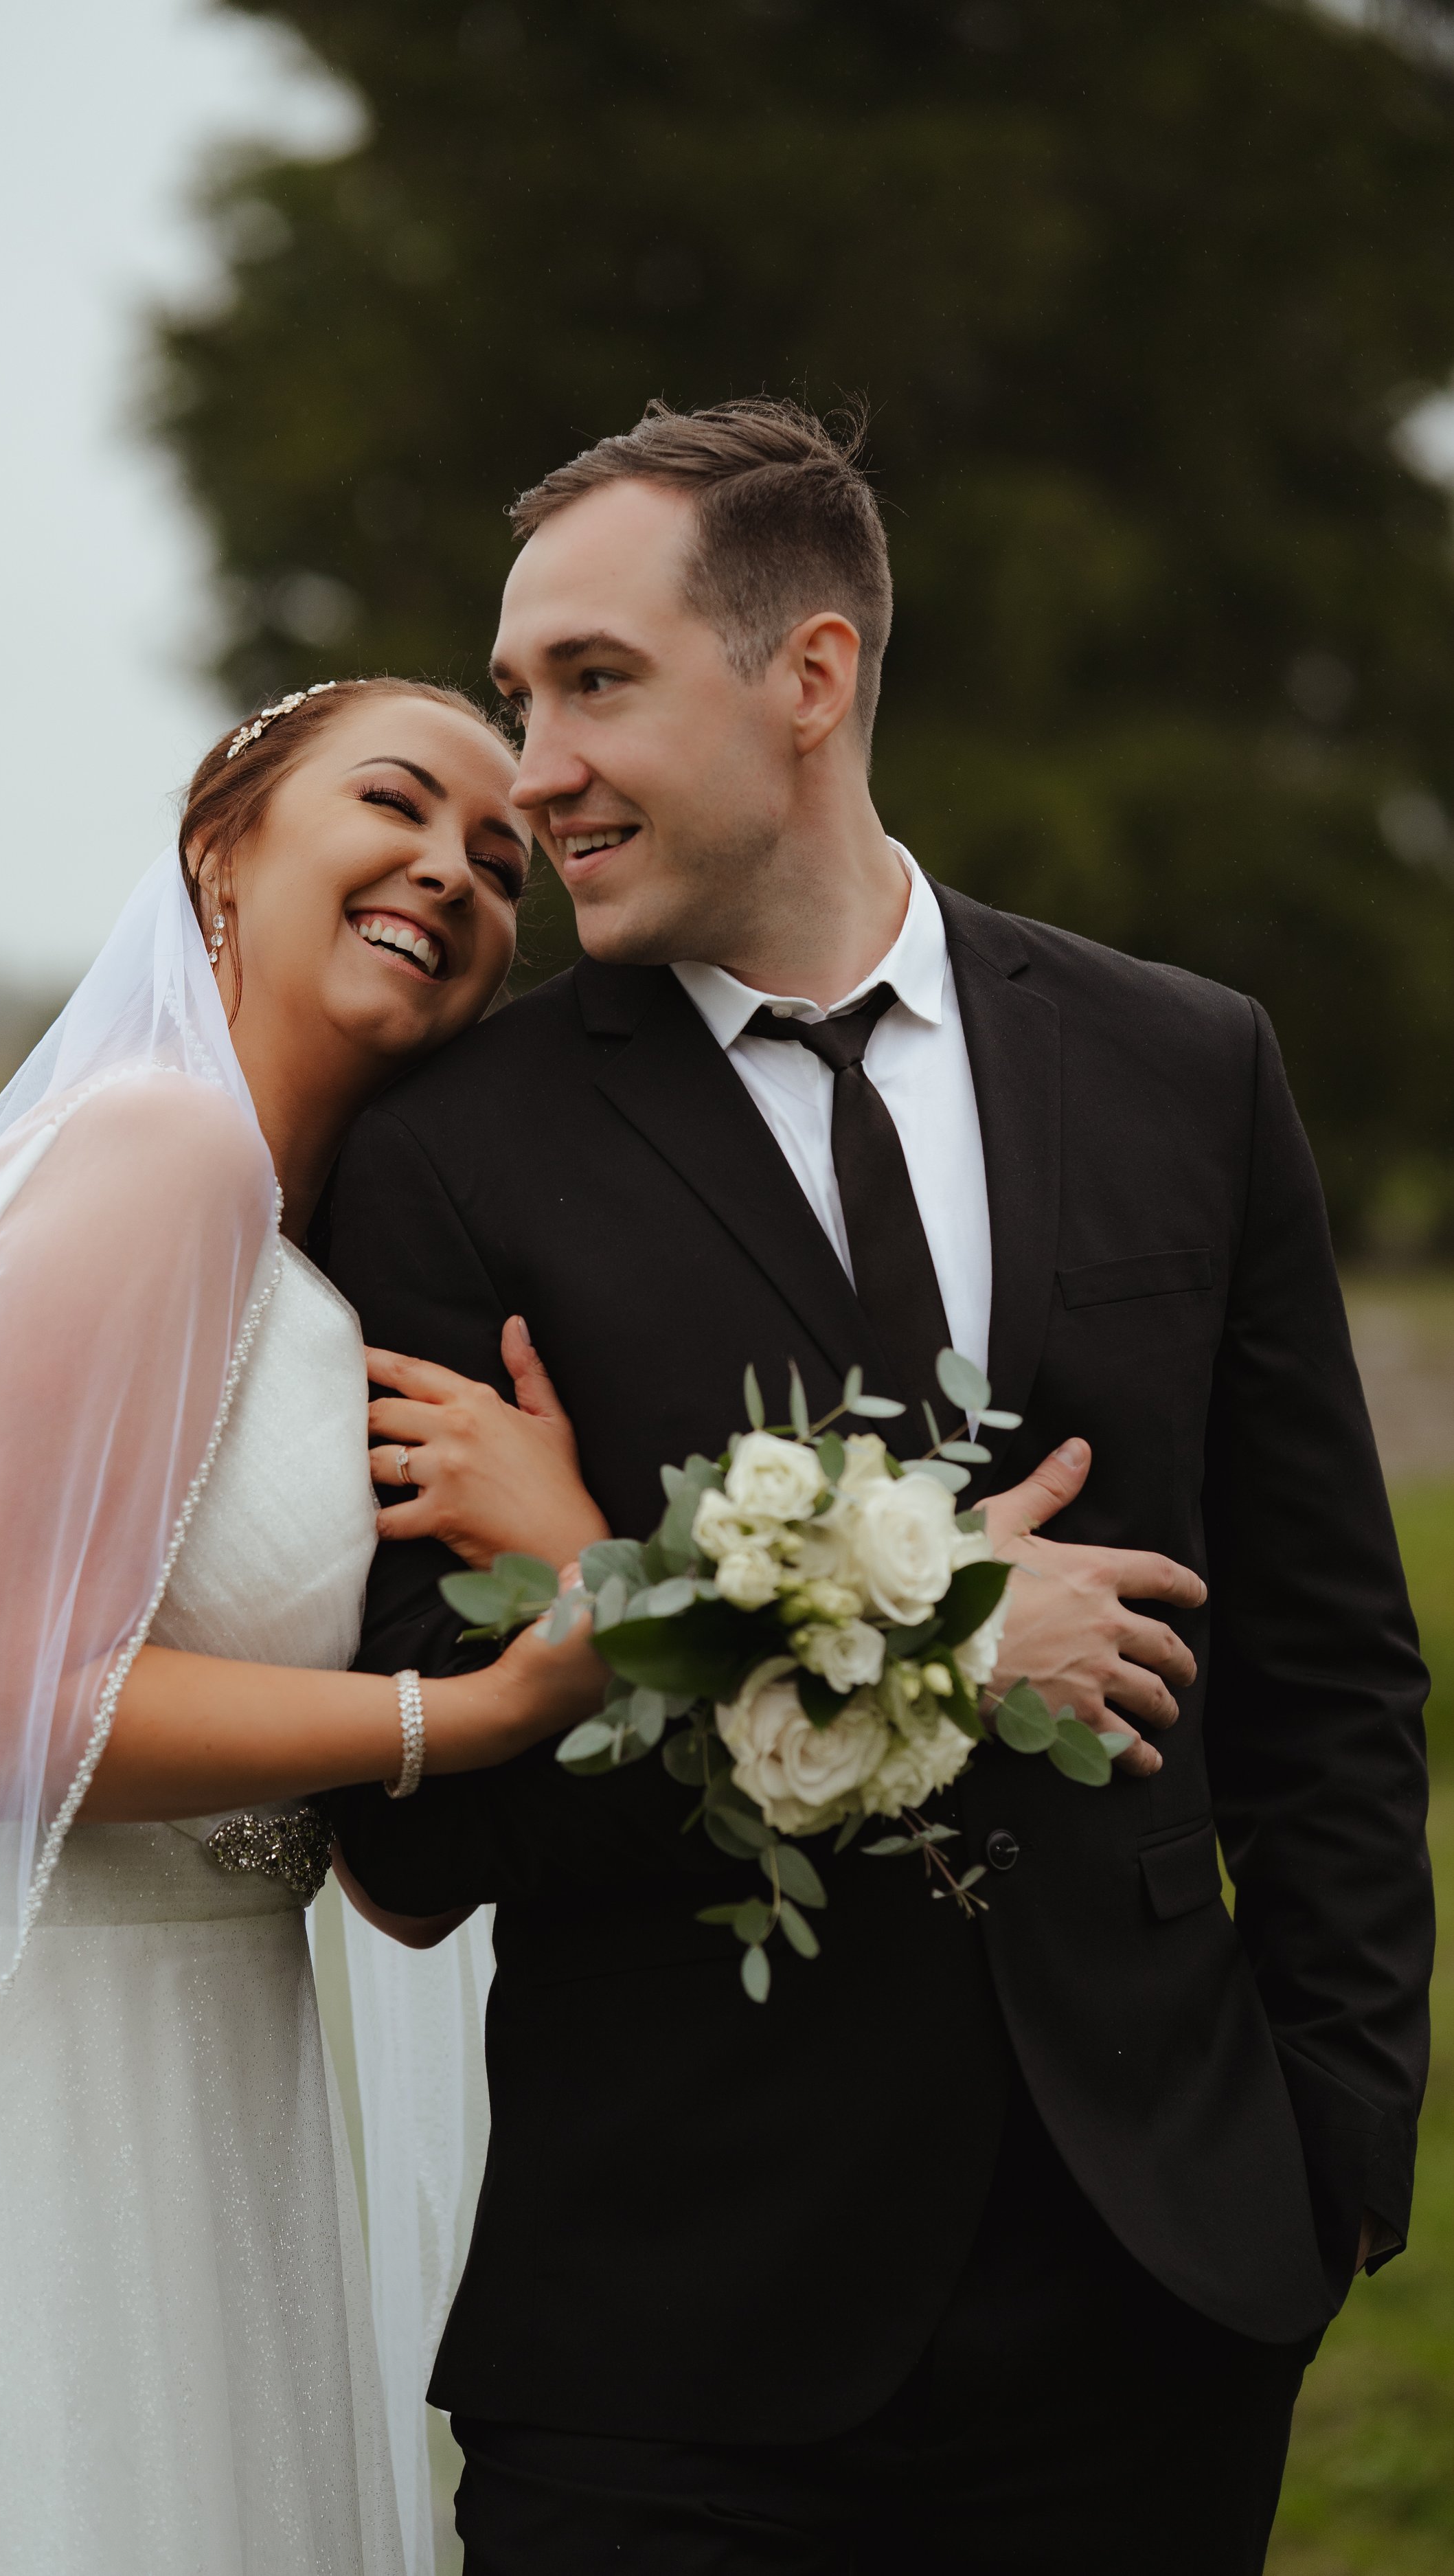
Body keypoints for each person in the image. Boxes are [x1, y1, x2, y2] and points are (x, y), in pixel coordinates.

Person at [326, 401, 1434, 2575]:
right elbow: (422, 1819)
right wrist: (877, 1632)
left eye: (592, 682)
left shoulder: (1185, 1066)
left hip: (1159, 2285)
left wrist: (1328, 2158)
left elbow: (1321, 1665)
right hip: (667, 2338)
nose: (528, 765)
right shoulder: (450, 1153)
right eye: (514, 691)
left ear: (807, 677)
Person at [0, 677, 606, 2576]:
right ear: (221, 848)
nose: (451, 873)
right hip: (31, 2082)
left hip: (203, 2050)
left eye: (499, 864)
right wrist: (470, 1715)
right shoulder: (159, 1158)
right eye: (395, 803)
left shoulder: (294, 1249)